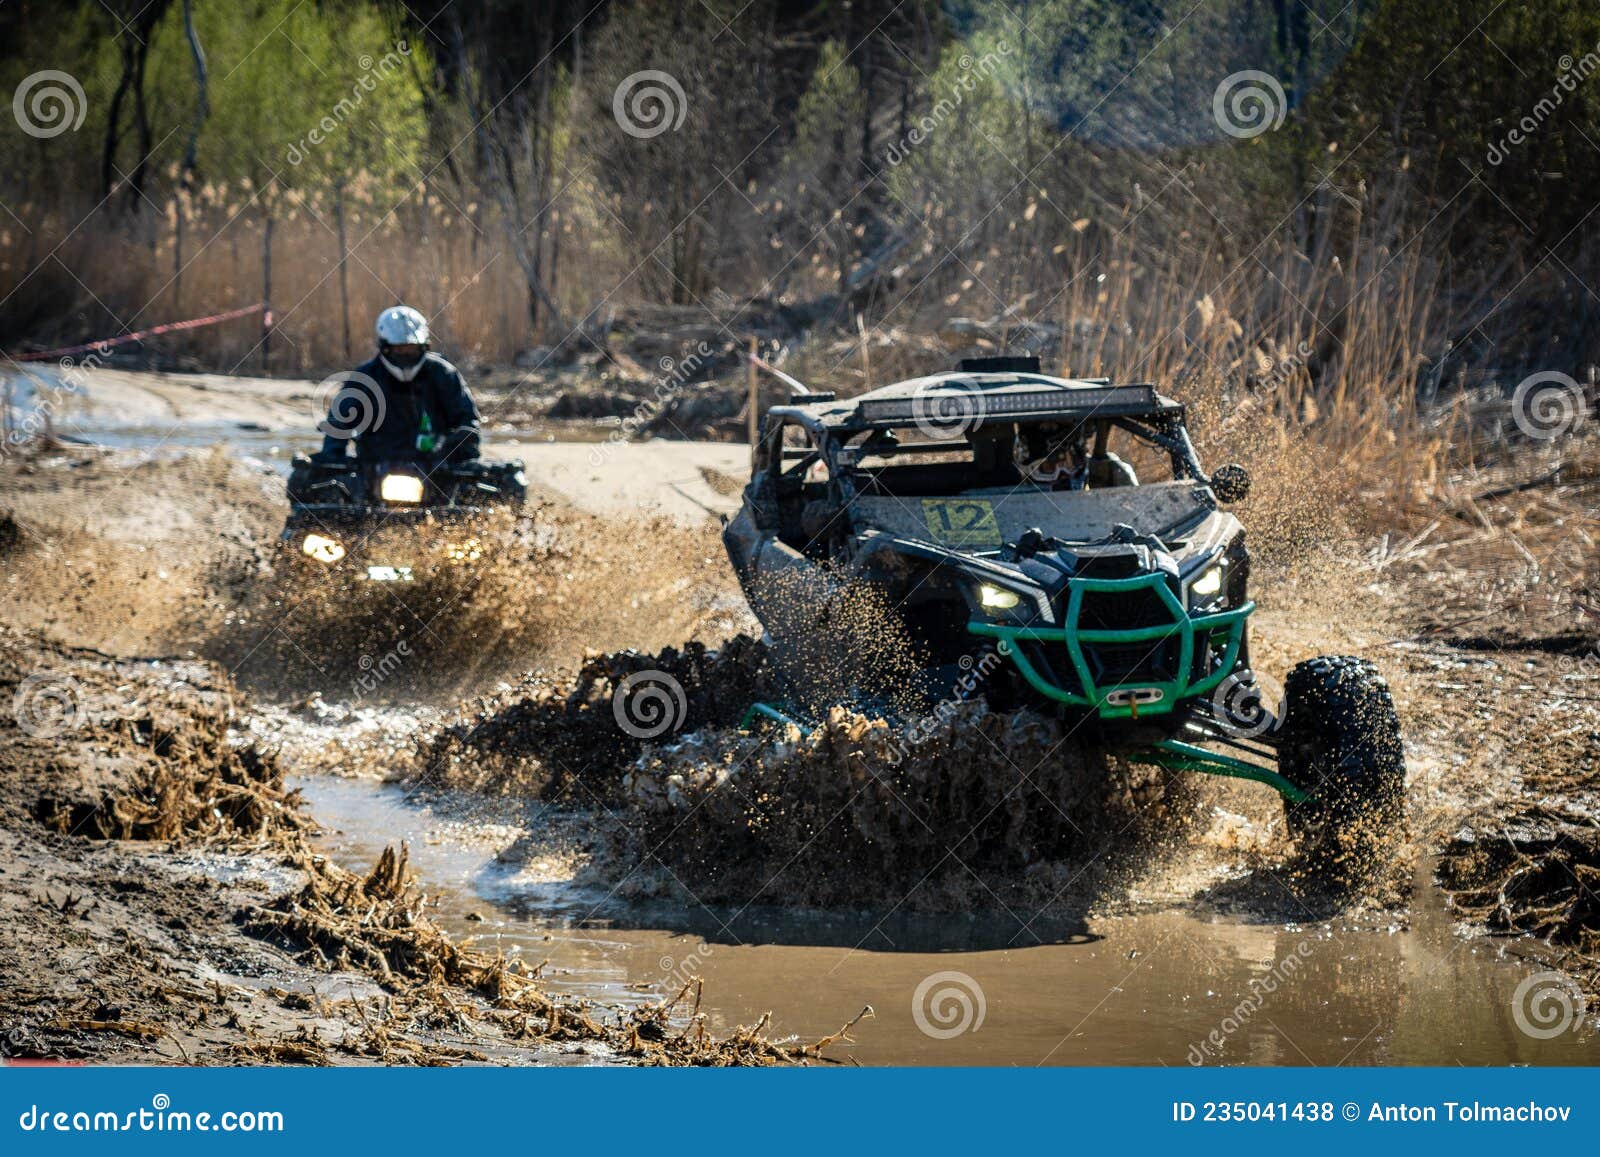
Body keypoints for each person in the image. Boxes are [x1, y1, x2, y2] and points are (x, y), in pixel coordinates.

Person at [313, 306, 480, 464]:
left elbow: (467, 419)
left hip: (437, 467)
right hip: (374, 467)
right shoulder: (364, 377)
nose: (405, 355)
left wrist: (465, 451)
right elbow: (340, 420)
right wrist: (332, 456)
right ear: (385, 348)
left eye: (411, 350)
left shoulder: (444, 373)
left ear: (424, 347)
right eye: (399, 350)